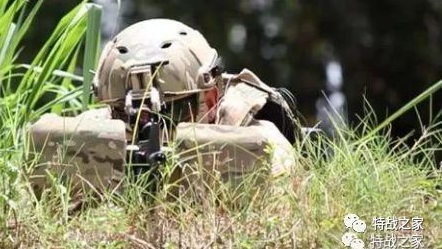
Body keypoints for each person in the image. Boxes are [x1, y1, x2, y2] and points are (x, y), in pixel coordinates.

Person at [29, 19, 300, 195]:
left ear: (210, 99)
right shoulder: (97, 132)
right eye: (127, 115)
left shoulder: (258, 142)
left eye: (167, 114)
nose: (143, 129)